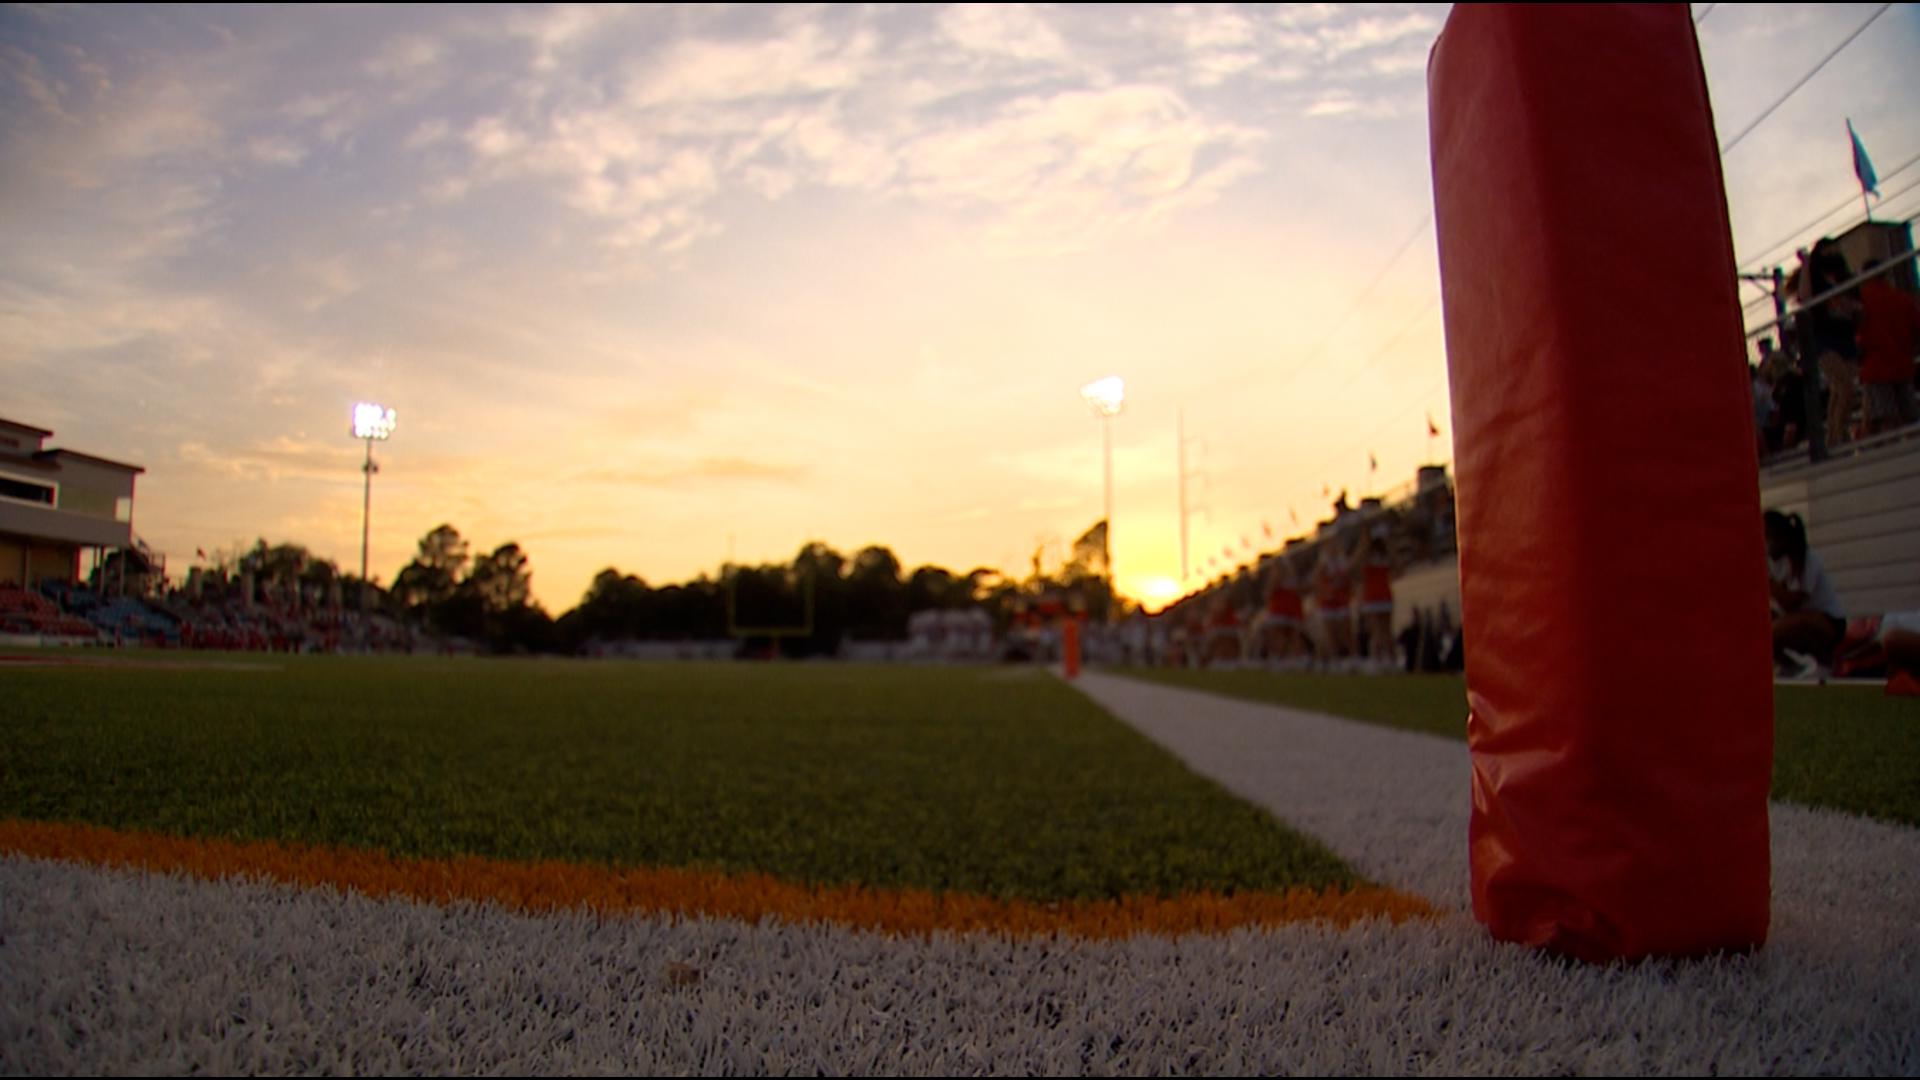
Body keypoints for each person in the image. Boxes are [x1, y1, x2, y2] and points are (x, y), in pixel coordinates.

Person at [1764, 509, 1844, 677]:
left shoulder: (1807, 558)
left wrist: (1769, 583)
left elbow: (1793, 603)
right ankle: (1789, 666)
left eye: (1766, 536)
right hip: (1800, 618)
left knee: (1773, 630)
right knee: (1760, 626)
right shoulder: (1773, 561)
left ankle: (1825, 662)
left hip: (1828, 622)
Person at [1855, 272, 1920, 436]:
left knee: (1884, 418)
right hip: (1902, 364)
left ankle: (1891, 450)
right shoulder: (1903, 299)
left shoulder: (1861, 300)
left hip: (1875, 367)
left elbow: (1856, 333)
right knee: (1910, 416)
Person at [1313, 539, 1355, 670]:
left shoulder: (1342, 560)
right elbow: (1318, 580)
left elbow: (1348, 578)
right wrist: (1324, 593)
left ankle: (1353, 658)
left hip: (1341, 600)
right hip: (1328, 601)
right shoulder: (1324, 562)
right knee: (1331, 633)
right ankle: (1334, 660)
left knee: (1346, 631)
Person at [1357, 535, 1396, 672]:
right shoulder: (1384, 557)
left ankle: (1377, 659)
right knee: (1386, 630)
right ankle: (1390, 659)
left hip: (1373, 596)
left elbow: (1358, 568)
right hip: (1384, 595)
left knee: (1377, 631)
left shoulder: (1367, 558)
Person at [1261, 556, 1306, 671]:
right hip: (1282, 607)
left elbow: (1269, 591)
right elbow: (1269, 591)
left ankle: (1293, 659)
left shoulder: (1290, 569)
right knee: (1282, 634)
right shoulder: (1280, 570)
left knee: (1289, 635)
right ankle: (1282, 659)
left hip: (1287, 606)